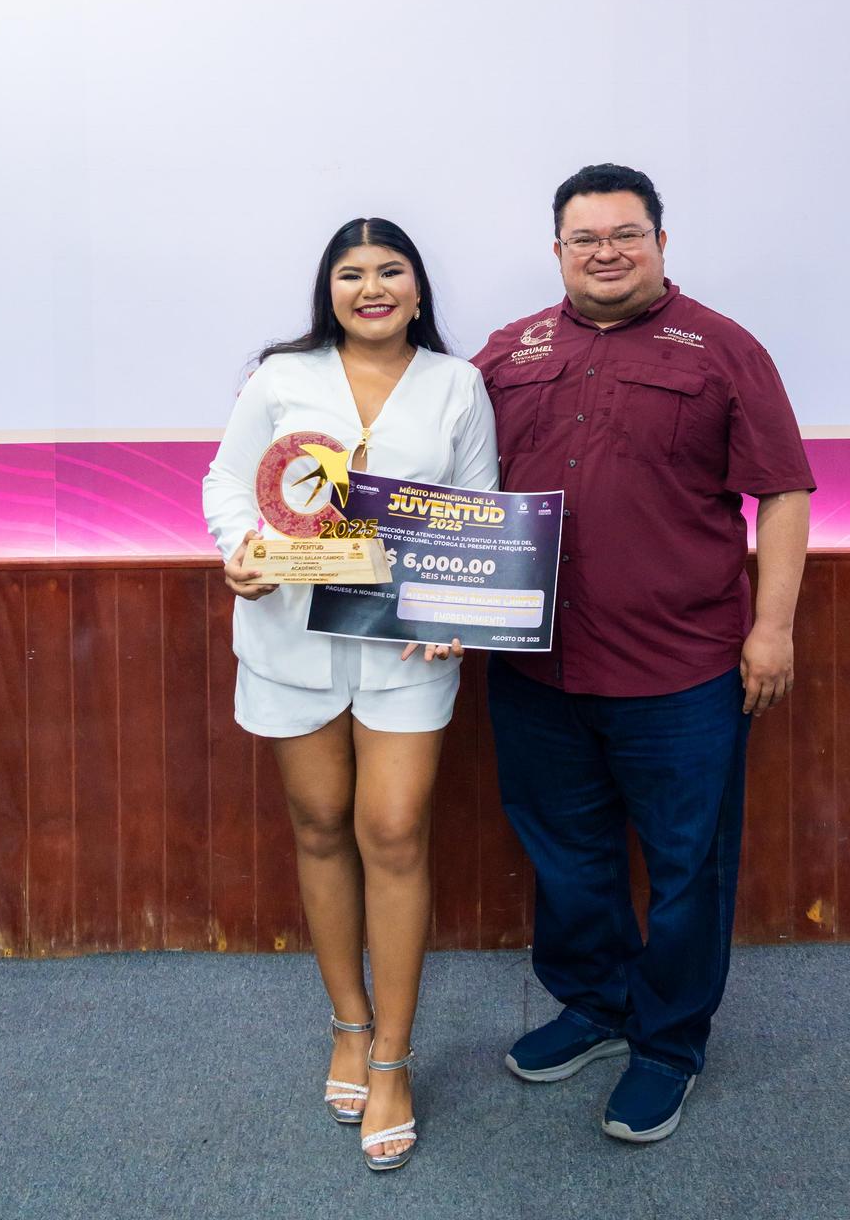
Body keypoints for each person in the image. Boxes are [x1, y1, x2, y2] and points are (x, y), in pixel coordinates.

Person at [473, 164, 814, 1144]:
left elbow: (783, 492)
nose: (606, 252)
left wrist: (772, 628)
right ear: (558, 251)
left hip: (682, 672)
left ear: (661, 242)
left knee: (685, 869)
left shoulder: (723, 348)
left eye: (626, 233)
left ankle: (668, 1044)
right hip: (537, 669)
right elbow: (447, 482)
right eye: (585, 238)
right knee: (566, 855)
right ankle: (594, 1004)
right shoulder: (509, 352)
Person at [203, 217, 498, 1172]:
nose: (371, 287)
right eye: (351, 273)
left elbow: (475, 515)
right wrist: (241, 553)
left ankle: (392, 1060)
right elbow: (227, 486)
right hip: (290, 636)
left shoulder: (457, 385)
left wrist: (462, 603)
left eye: (390, 270)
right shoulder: (280, 378)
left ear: (417, 289)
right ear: (327, 290)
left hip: (406, 650)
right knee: (322, 823)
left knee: (394, 831)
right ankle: (347, 1023)